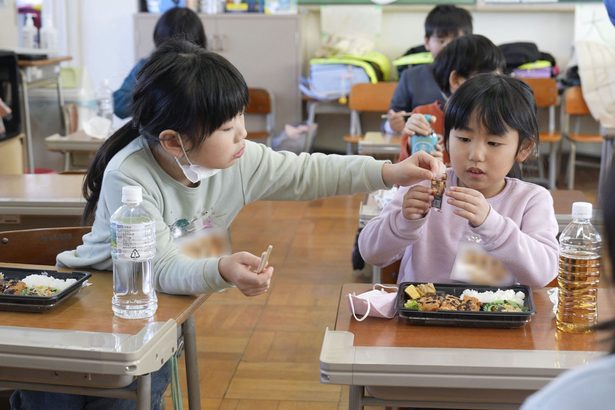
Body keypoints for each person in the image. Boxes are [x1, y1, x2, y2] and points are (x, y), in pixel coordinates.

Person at [10, 39, 443, 410]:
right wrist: (220, 270)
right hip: (86, 306)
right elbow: (157, 265)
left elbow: (308, 171)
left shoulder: (237, 160)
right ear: (173, 141)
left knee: (135, 391)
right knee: (57, 398)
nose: (243, 137)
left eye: (240, 120)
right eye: (227, 128)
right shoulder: (132, 175)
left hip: (150, 309)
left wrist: (389, 172)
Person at [359, 73, 559, 287]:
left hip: (496, 316)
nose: (476, 154)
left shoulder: (531, 199)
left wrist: (492, 224)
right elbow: (371, 253)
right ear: (445, 140)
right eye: (464, 139)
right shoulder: (426, 183)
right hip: (423, 314)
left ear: (524, 149)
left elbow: (543, 273)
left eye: (493, 143)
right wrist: (403, 222)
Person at [398, 34, 506, 162]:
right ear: (456, 80)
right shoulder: (424, 117)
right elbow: (403, 174)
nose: (497, 87)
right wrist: (413, 146)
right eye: (487, 79)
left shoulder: (500, 116)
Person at [386, 4, 473, 134]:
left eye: (456, 41)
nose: (448, 47)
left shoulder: (477, 76)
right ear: (427, 42)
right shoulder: (411, 77)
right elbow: (391, 119)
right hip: (423, 148)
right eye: (441, 40)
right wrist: (393, 126)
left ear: (469, 42)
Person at [112, 7, 207, 119]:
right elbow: (118, 104)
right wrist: (150, 96)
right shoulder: (146, 66)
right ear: (200, 40)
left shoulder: (209, 69)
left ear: (158, 37)